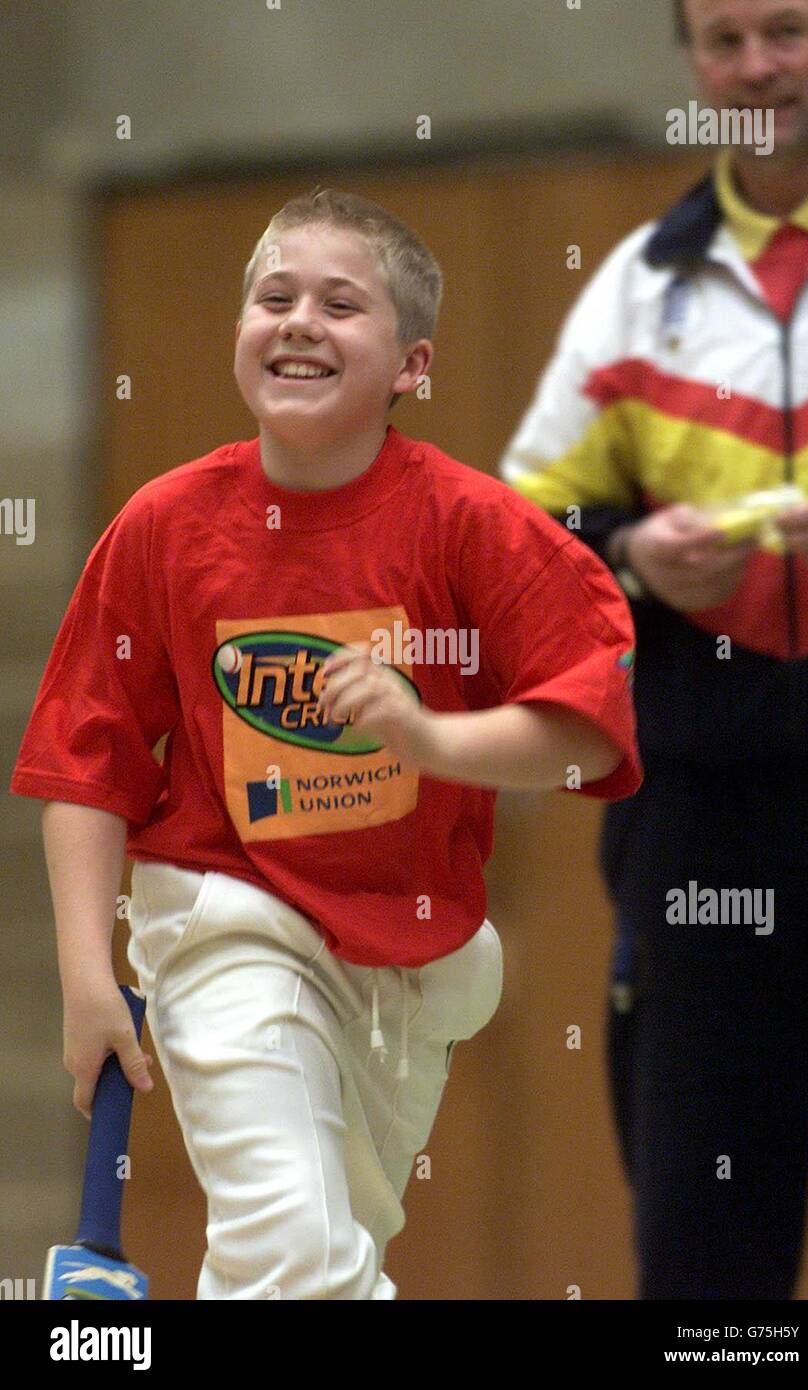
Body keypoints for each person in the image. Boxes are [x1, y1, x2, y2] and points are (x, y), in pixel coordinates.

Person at [10, 188, 641, 1300]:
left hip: (408, 967)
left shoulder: (469, 525)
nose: (299, 319)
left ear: (412, 364)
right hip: (225, 922)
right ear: (240, 334)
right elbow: (84, 761)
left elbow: (581, 734)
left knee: (311, 1258)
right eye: (274, 297)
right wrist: (82, 978)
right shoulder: (165, 525)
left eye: (341, 304)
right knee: (298, 1249)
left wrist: (426, 733)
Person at [499, 0, 808, 1301]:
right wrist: (637, 558)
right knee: (708, 1246)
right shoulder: (640, 282)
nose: (755, 65)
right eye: (722, 39)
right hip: (699, 816)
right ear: (690, 62)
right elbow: (514, 541)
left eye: (787, 30)